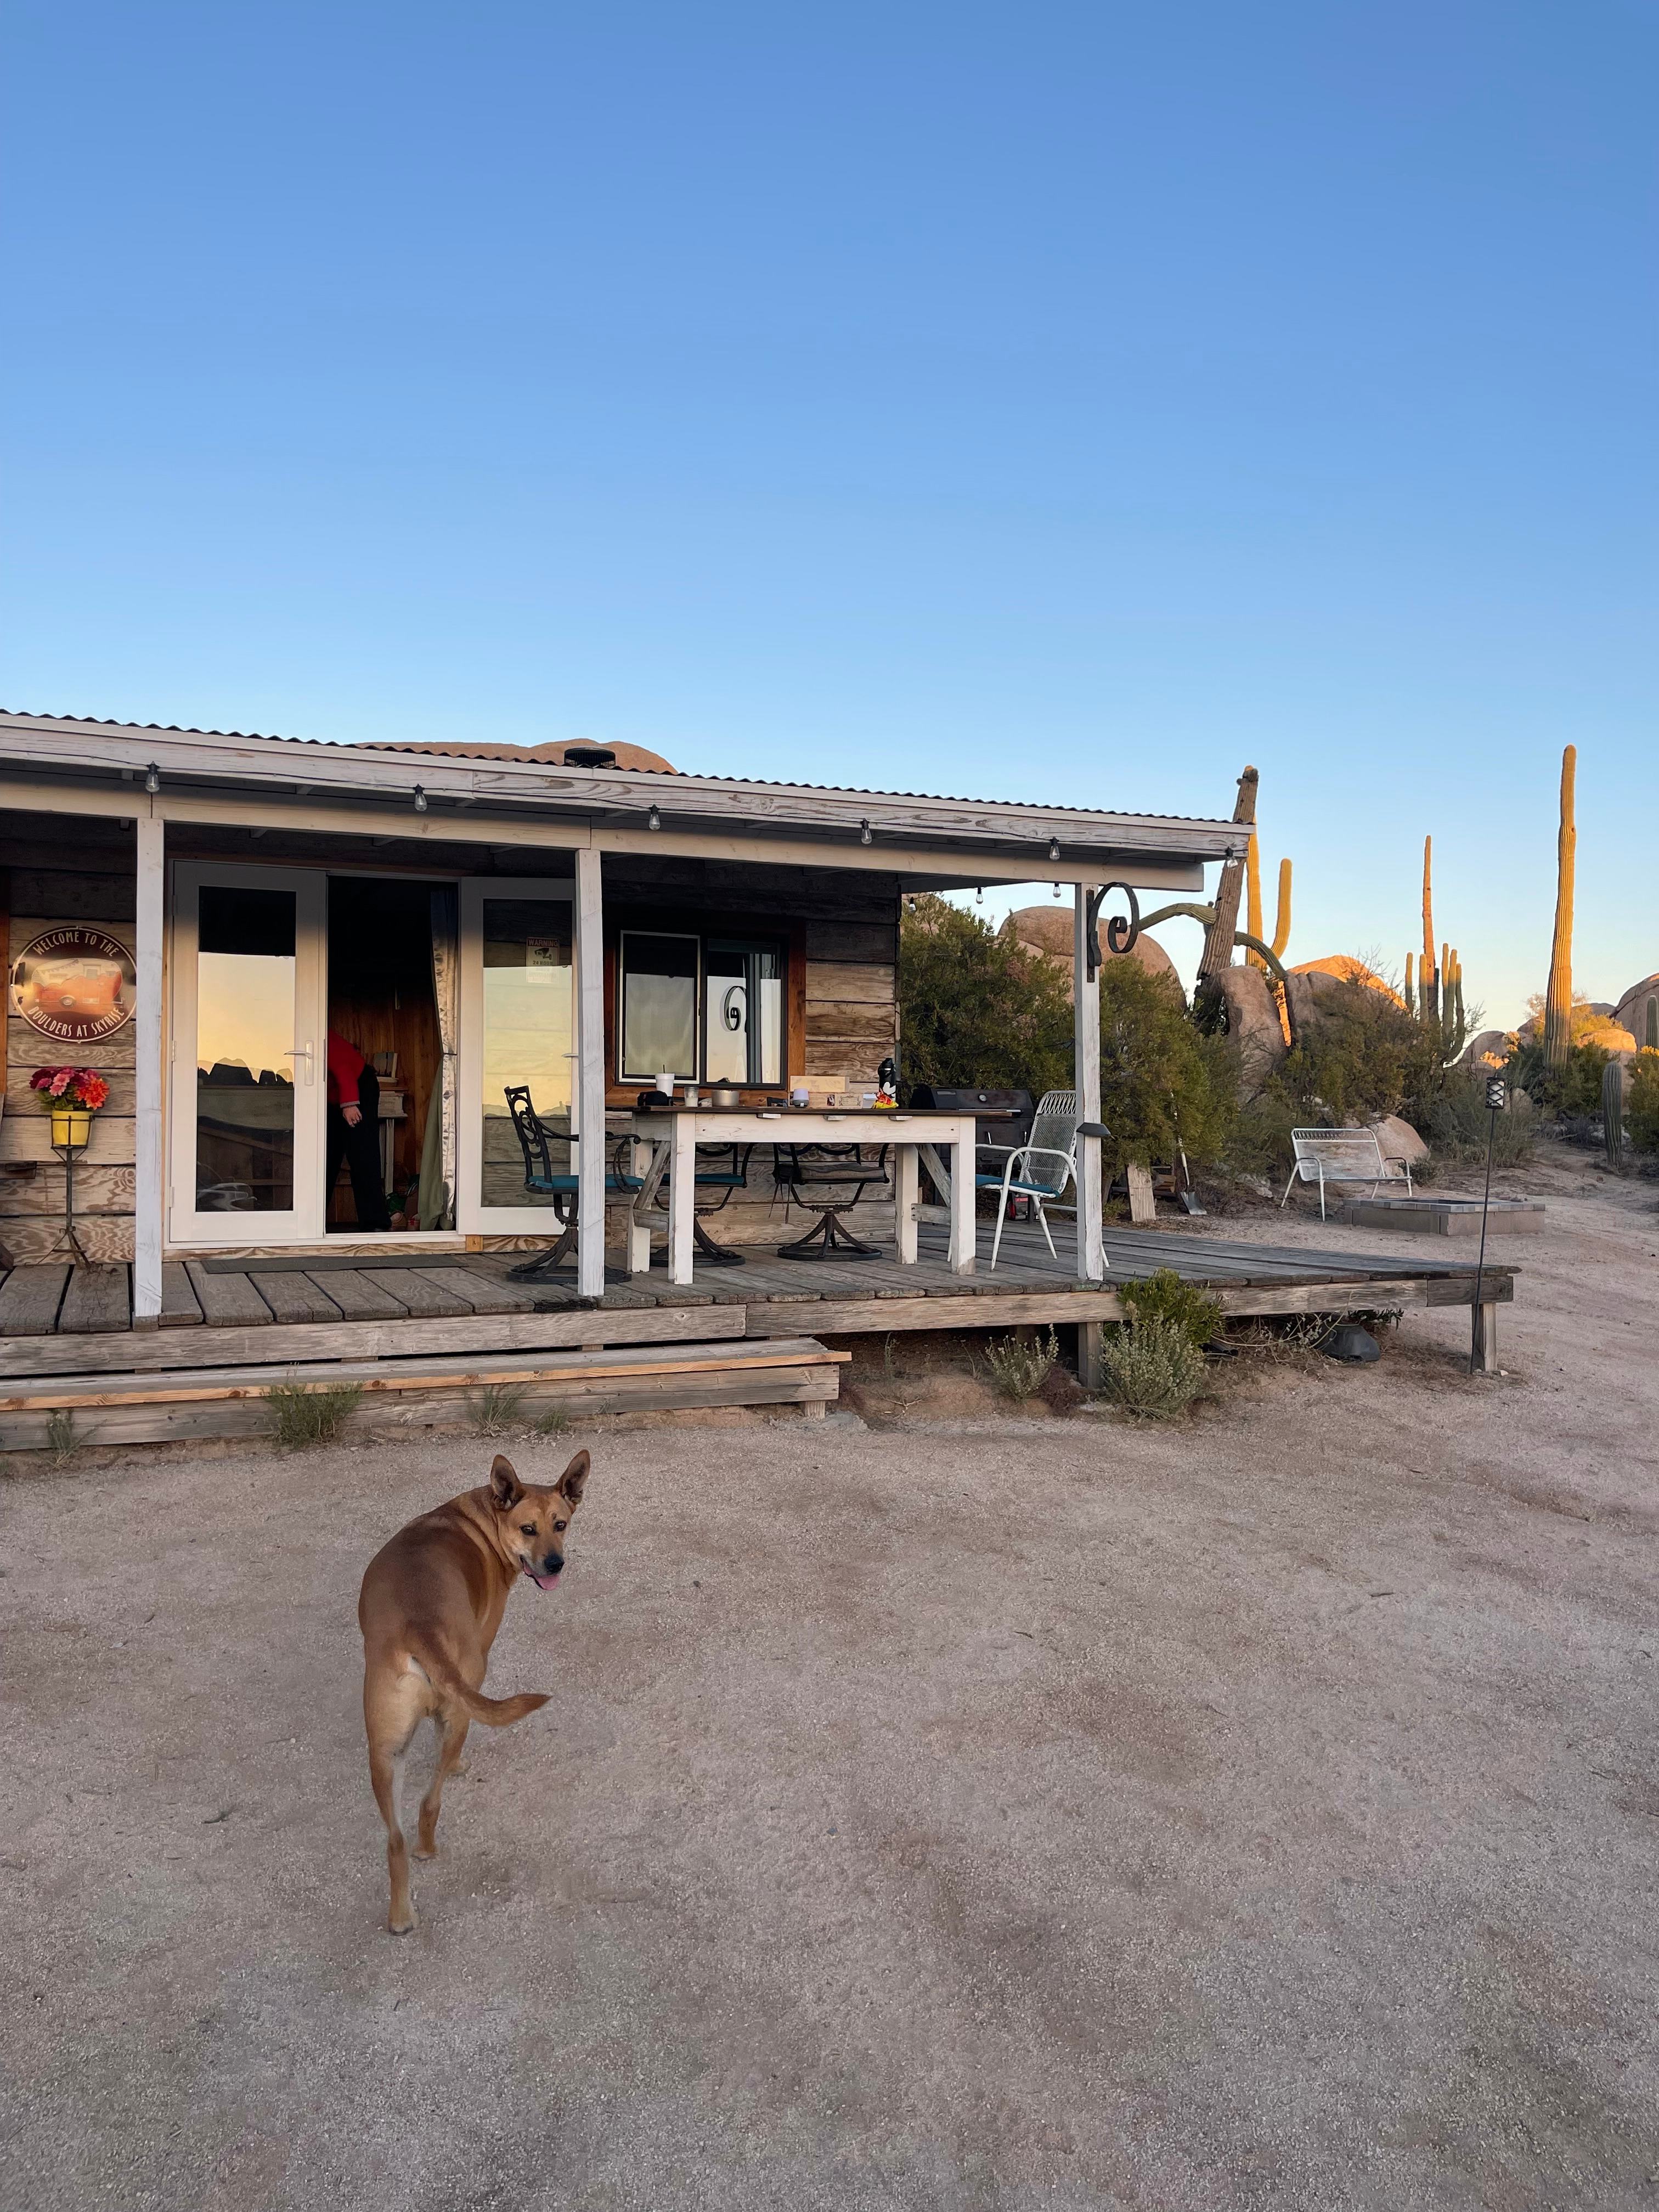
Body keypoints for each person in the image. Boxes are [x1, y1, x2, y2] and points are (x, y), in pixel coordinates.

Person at [326, 1032, 391, 1232]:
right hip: (333, 1096)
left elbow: (343, 1068)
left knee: (363, 1155)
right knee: (325, 1156)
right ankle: (307, 1218)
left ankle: (375, 1222)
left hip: (358, 1088)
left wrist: (350, 1105)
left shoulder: (317, 1031)